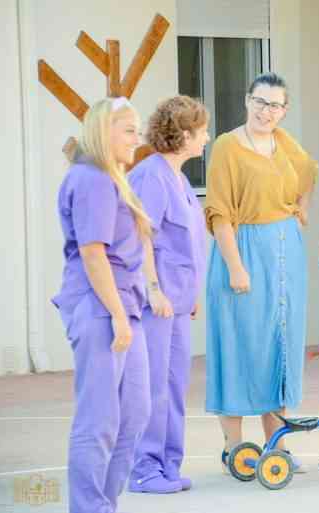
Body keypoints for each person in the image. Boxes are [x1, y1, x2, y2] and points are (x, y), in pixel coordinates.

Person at [204, 73, 318, 471]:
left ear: (284, 111)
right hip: (244, 250)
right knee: (239, 345)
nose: (266, 111)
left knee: (279, 347)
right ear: (247, 101)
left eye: (275, 105)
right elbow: (218, 211)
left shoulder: (284, 143)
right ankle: (236, 450)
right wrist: (236, 266)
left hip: (286, 255)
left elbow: (310, 172)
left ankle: (277, 445)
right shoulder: (227, 147)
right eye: (260, 101)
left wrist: (301, 209)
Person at [52, 97, 152, 513]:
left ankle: (102, 505)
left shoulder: (111, 177)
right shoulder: (92, 179)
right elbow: (93, 253)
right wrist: (116, 315)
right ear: (104, 133)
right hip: (100, 307)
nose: (138, 138)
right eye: (129, 130)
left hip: (123, 305)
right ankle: (89, 507)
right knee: (99, 421)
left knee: (134, 414)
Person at [128, 96, 209, 493]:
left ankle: (168, 464)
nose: (207, 138)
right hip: (156, 302)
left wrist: (192, 294)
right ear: (185, 135)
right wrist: (154, 289)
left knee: (175, 383)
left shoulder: (179, 179)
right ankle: (144, 468)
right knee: (153, 385)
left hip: (179, 301)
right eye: (203, 131)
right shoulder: (150, 176)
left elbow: (188, 244)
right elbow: (140, 236)